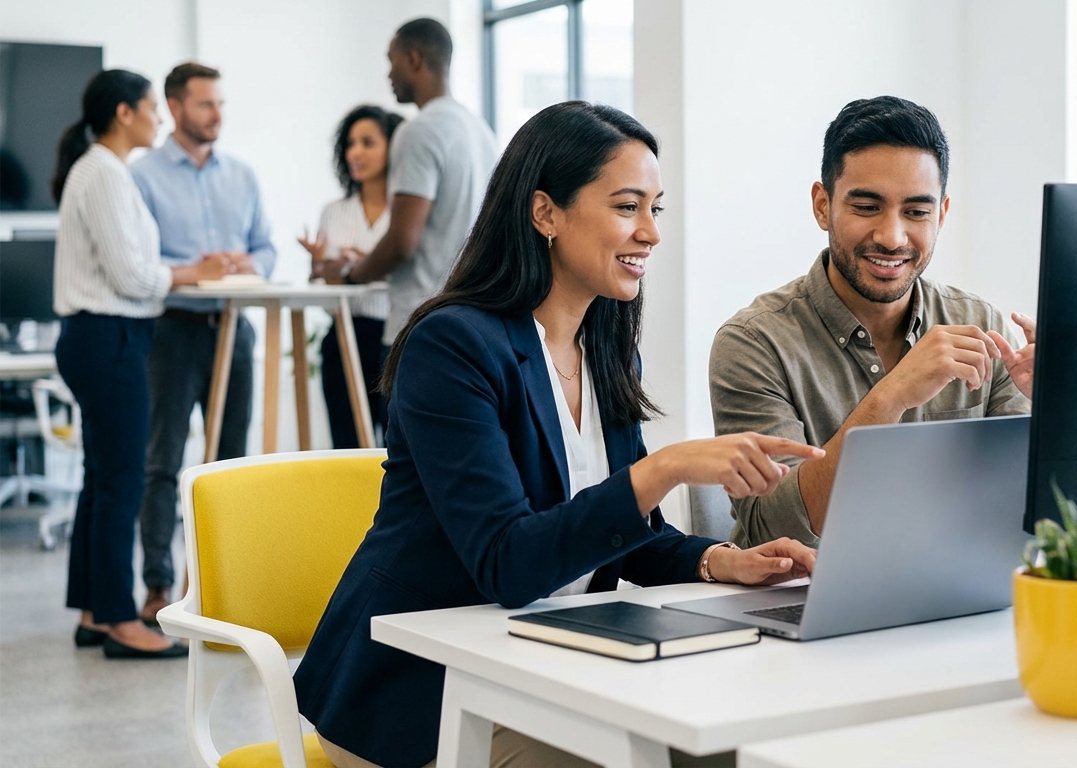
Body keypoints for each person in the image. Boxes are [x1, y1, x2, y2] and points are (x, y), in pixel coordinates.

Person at [294, 101, 823, 768]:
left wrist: (721, 561)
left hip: (549, 667)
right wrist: (662, 470)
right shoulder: (451, 347)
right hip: (420, 696)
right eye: (628, 206)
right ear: (546, 213)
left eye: (656, 209)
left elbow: (627, 538)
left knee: (735, 748)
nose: (651, 233)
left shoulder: (603, 348)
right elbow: (508, 564)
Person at [710, 97, 1037, 549]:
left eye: (916, 213)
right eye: (867, 207)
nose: (892, 237)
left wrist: (1059, 417)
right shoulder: (753, 344)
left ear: (940, 215)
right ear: (823, 206)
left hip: (952, 594)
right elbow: (775, 526)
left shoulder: (980, 324)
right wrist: (892, 396)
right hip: (802, 601)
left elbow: (1028, 515)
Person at [50, 69, 228, 659]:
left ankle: (94, 612)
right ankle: (122, 622)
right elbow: (130, 275)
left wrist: (177, 273)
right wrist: (188, 273)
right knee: (120, 479)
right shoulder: (103, 172)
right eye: (153, 107)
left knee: (102, 480)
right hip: (108, 336)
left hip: (103, 336)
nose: (158, 116)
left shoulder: (103, 170)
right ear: (124, 113)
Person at [130, 62, 277, 624]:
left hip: (232, 332)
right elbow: (139, 265)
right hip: (173, 330)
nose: (216, 115)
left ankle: (222, 589)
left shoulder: (241, 175)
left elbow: (266, 249)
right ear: (174, 106)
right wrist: (199, 268)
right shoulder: (142, 176)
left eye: (220, 105)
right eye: (204, 105)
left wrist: (247, 263)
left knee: (229, 466)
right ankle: (158, 588)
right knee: (163, 461)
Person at [316, 17, 499, 352]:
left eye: (391, 60)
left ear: (414, 59)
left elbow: (403, 241)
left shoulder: (419, 131)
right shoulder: (481, 131)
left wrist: (348, 273)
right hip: (474, 318)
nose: (388, 74)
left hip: (421, 322)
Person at [298, 105, 404, 448]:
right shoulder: (334, 212)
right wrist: (322, 269)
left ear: (394, 147)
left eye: (367, 142)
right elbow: (325, 284)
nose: (355, 152)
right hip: (344, 338)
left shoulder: (409, 213)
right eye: (350, 144)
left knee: (396, 444)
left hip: (395, 337)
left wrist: (362, 266)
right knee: (346, 448)